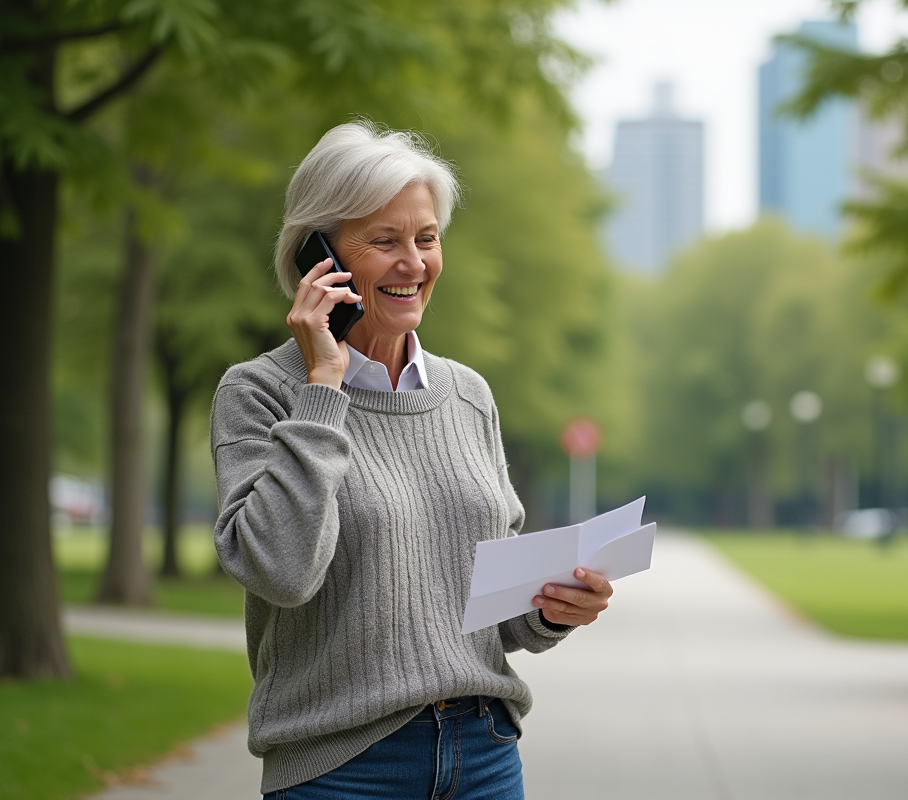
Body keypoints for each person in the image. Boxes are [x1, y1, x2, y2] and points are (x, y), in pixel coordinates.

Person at [210, 121, 615, 799]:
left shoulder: (468, 395)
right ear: (319, 258)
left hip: (484, 753)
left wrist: (552, 609)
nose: (415, 263)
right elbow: (279, 571)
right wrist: (322, 387)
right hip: (341, 770)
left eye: (426, 239)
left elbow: (488, 607)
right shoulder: (257, 393)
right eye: (384, 241)